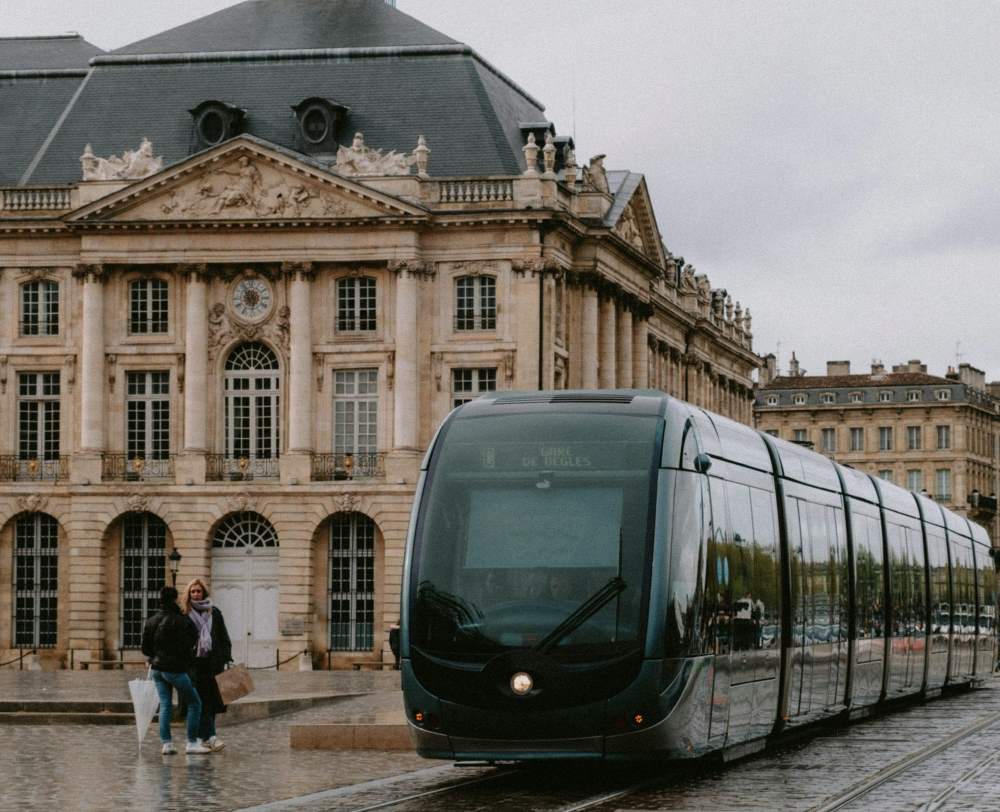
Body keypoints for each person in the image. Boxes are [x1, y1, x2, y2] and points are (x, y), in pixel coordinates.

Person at [141, 586, 212, 755]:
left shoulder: (151, 620)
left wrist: (157, 655)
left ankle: (167, 744)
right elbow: (190, 643)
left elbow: (146, 649)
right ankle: (192, 742)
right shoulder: (182, 620)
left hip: (157, 669)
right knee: (195, 703)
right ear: (175, 599)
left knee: (165, 705)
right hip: (175, 669)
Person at [182, 578, 233, 752]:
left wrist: (226, 658)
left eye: (199, 591)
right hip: (193, 666)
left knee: (210, 702)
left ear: (204, 592)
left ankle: (206, 737)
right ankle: (206, 737)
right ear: (189, 594)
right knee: (198, 702)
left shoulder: (214, 612)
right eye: (193, 591)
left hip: (212, 664)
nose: (196, 594)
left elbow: (223, 636)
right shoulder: (184, 614)